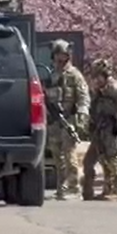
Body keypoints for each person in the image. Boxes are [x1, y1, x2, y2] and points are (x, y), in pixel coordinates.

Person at [46, 40, 90, 200]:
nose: (60, 57)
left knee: (69, 153)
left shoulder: (74, 75)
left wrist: (82, 115)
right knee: (58, 157)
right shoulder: (52, 74)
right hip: (55, 120)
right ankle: (61, 187)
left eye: (63, 54)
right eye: (57, 54)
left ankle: (73, 187)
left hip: (69, 119)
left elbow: (83, 96)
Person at [84, 59, 117, 201]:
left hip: (113, 129)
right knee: (93, 160)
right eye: (94, 77)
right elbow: (93, 108)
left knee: (113, 159)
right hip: (100, 129)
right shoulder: (97, 91)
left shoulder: (116, 89)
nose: (95, 80)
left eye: (98, 77)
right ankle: (98, 190)